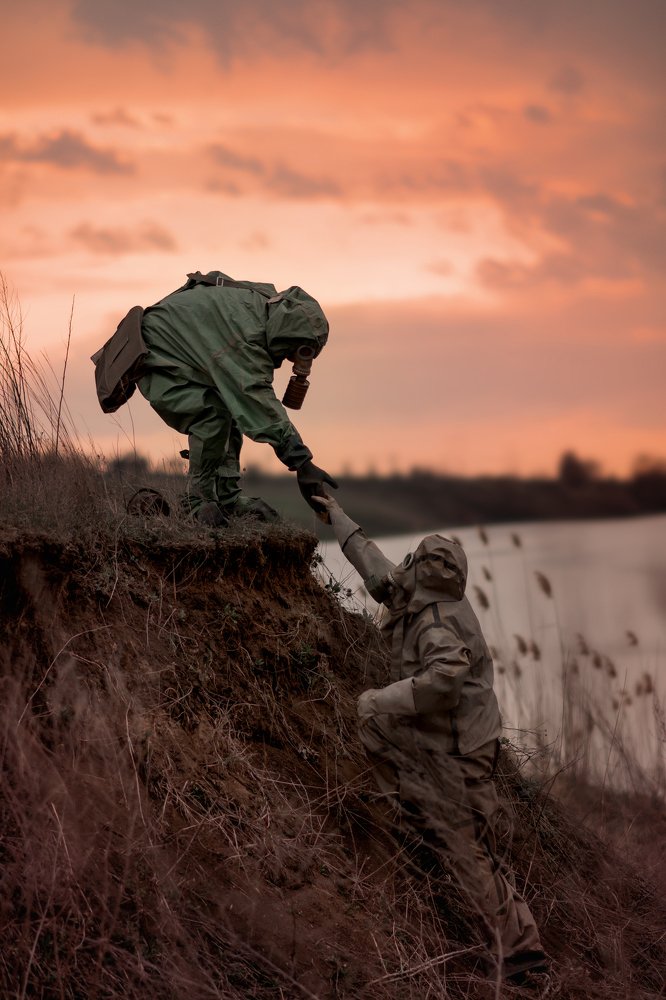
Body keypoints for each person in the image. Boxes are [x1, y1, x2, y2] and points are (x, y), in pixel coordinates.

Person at [314, 492, 548, 986]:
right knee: (466, 835)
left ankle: (521, 952)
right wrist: (336, 515)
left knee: (467, 846)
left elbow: (445, 681)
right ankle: (413, 814)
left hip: (464, 749)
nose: (404, 569)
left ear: (422, 569)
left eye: (413, 563)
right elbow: (373, 563)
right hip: (444, 735)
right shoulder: (419, 593)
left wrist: (380, 698)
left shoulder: (437, 621)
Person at [92, 270, 337, 526]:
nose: (291, 360)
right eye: (294, 353)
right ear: (289, 337)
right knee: (211, 416)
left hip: (185, 347)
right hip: (157, 355)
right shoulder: (245, 339)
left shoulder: (267, 305)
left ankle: (228, 499)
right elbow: (258, 403)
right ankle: (196, 502)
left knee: (229, 408)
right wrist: (302, 463)